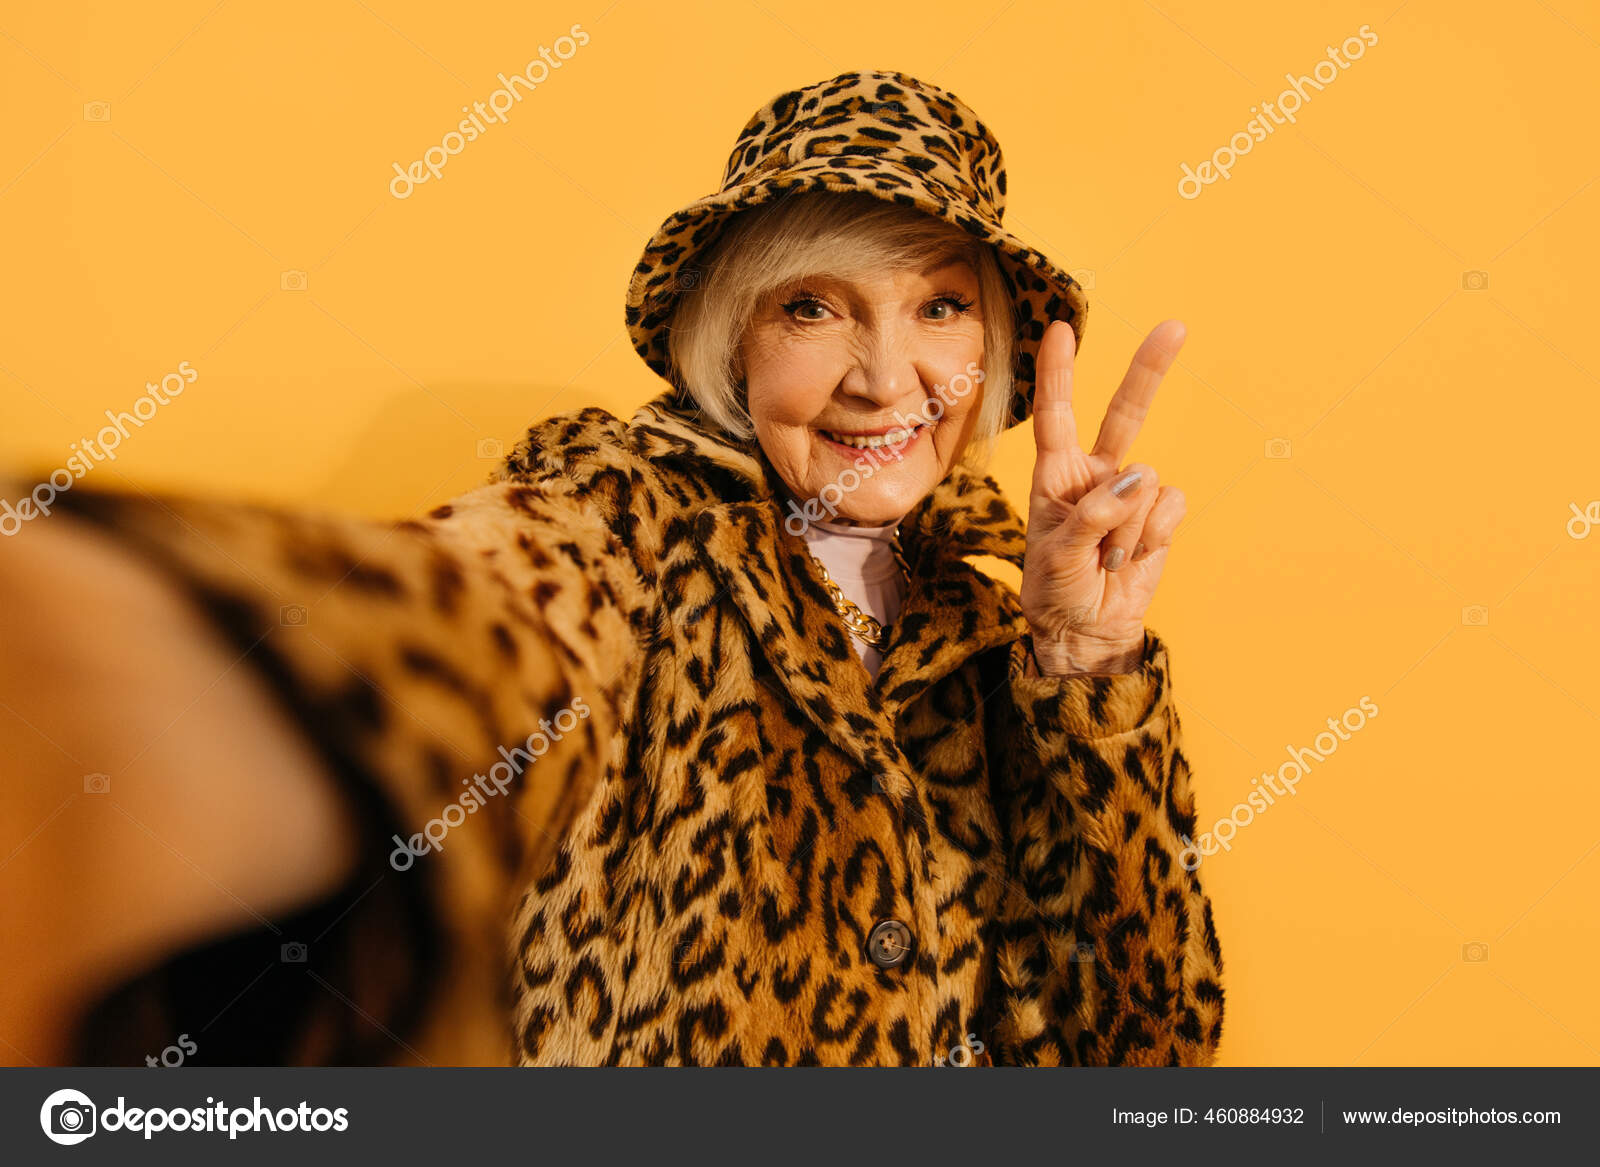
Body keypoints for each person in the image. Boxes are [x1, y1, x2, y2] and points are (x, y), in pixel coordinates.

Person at [0, 69, 1223, 1067]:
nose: (885, 378)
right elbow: (462, 618)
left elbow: (1150, 1056)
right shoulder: (614, 529)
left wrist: (1084, 661)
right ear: (732, 342)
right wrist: (155, 643)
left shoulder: (992, 620)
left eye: (940, 309)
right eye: (812, 307)